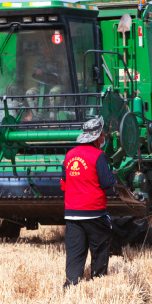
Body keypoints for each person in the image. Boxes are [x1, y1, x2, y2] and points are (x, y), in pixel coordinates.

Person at [61, 116, 116, 287]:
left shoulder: (69, 155)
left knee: (75, 254)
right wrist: (114, 178)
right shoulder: (99, 156)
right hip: (95, 213)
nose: (104, 137)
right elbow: (106, 182)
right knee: (99, 251)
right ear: (98, 137)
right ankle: (98, 284)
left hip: (72, 215)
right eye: (103, 134)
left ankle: (71, 286)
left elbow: (63, 182)